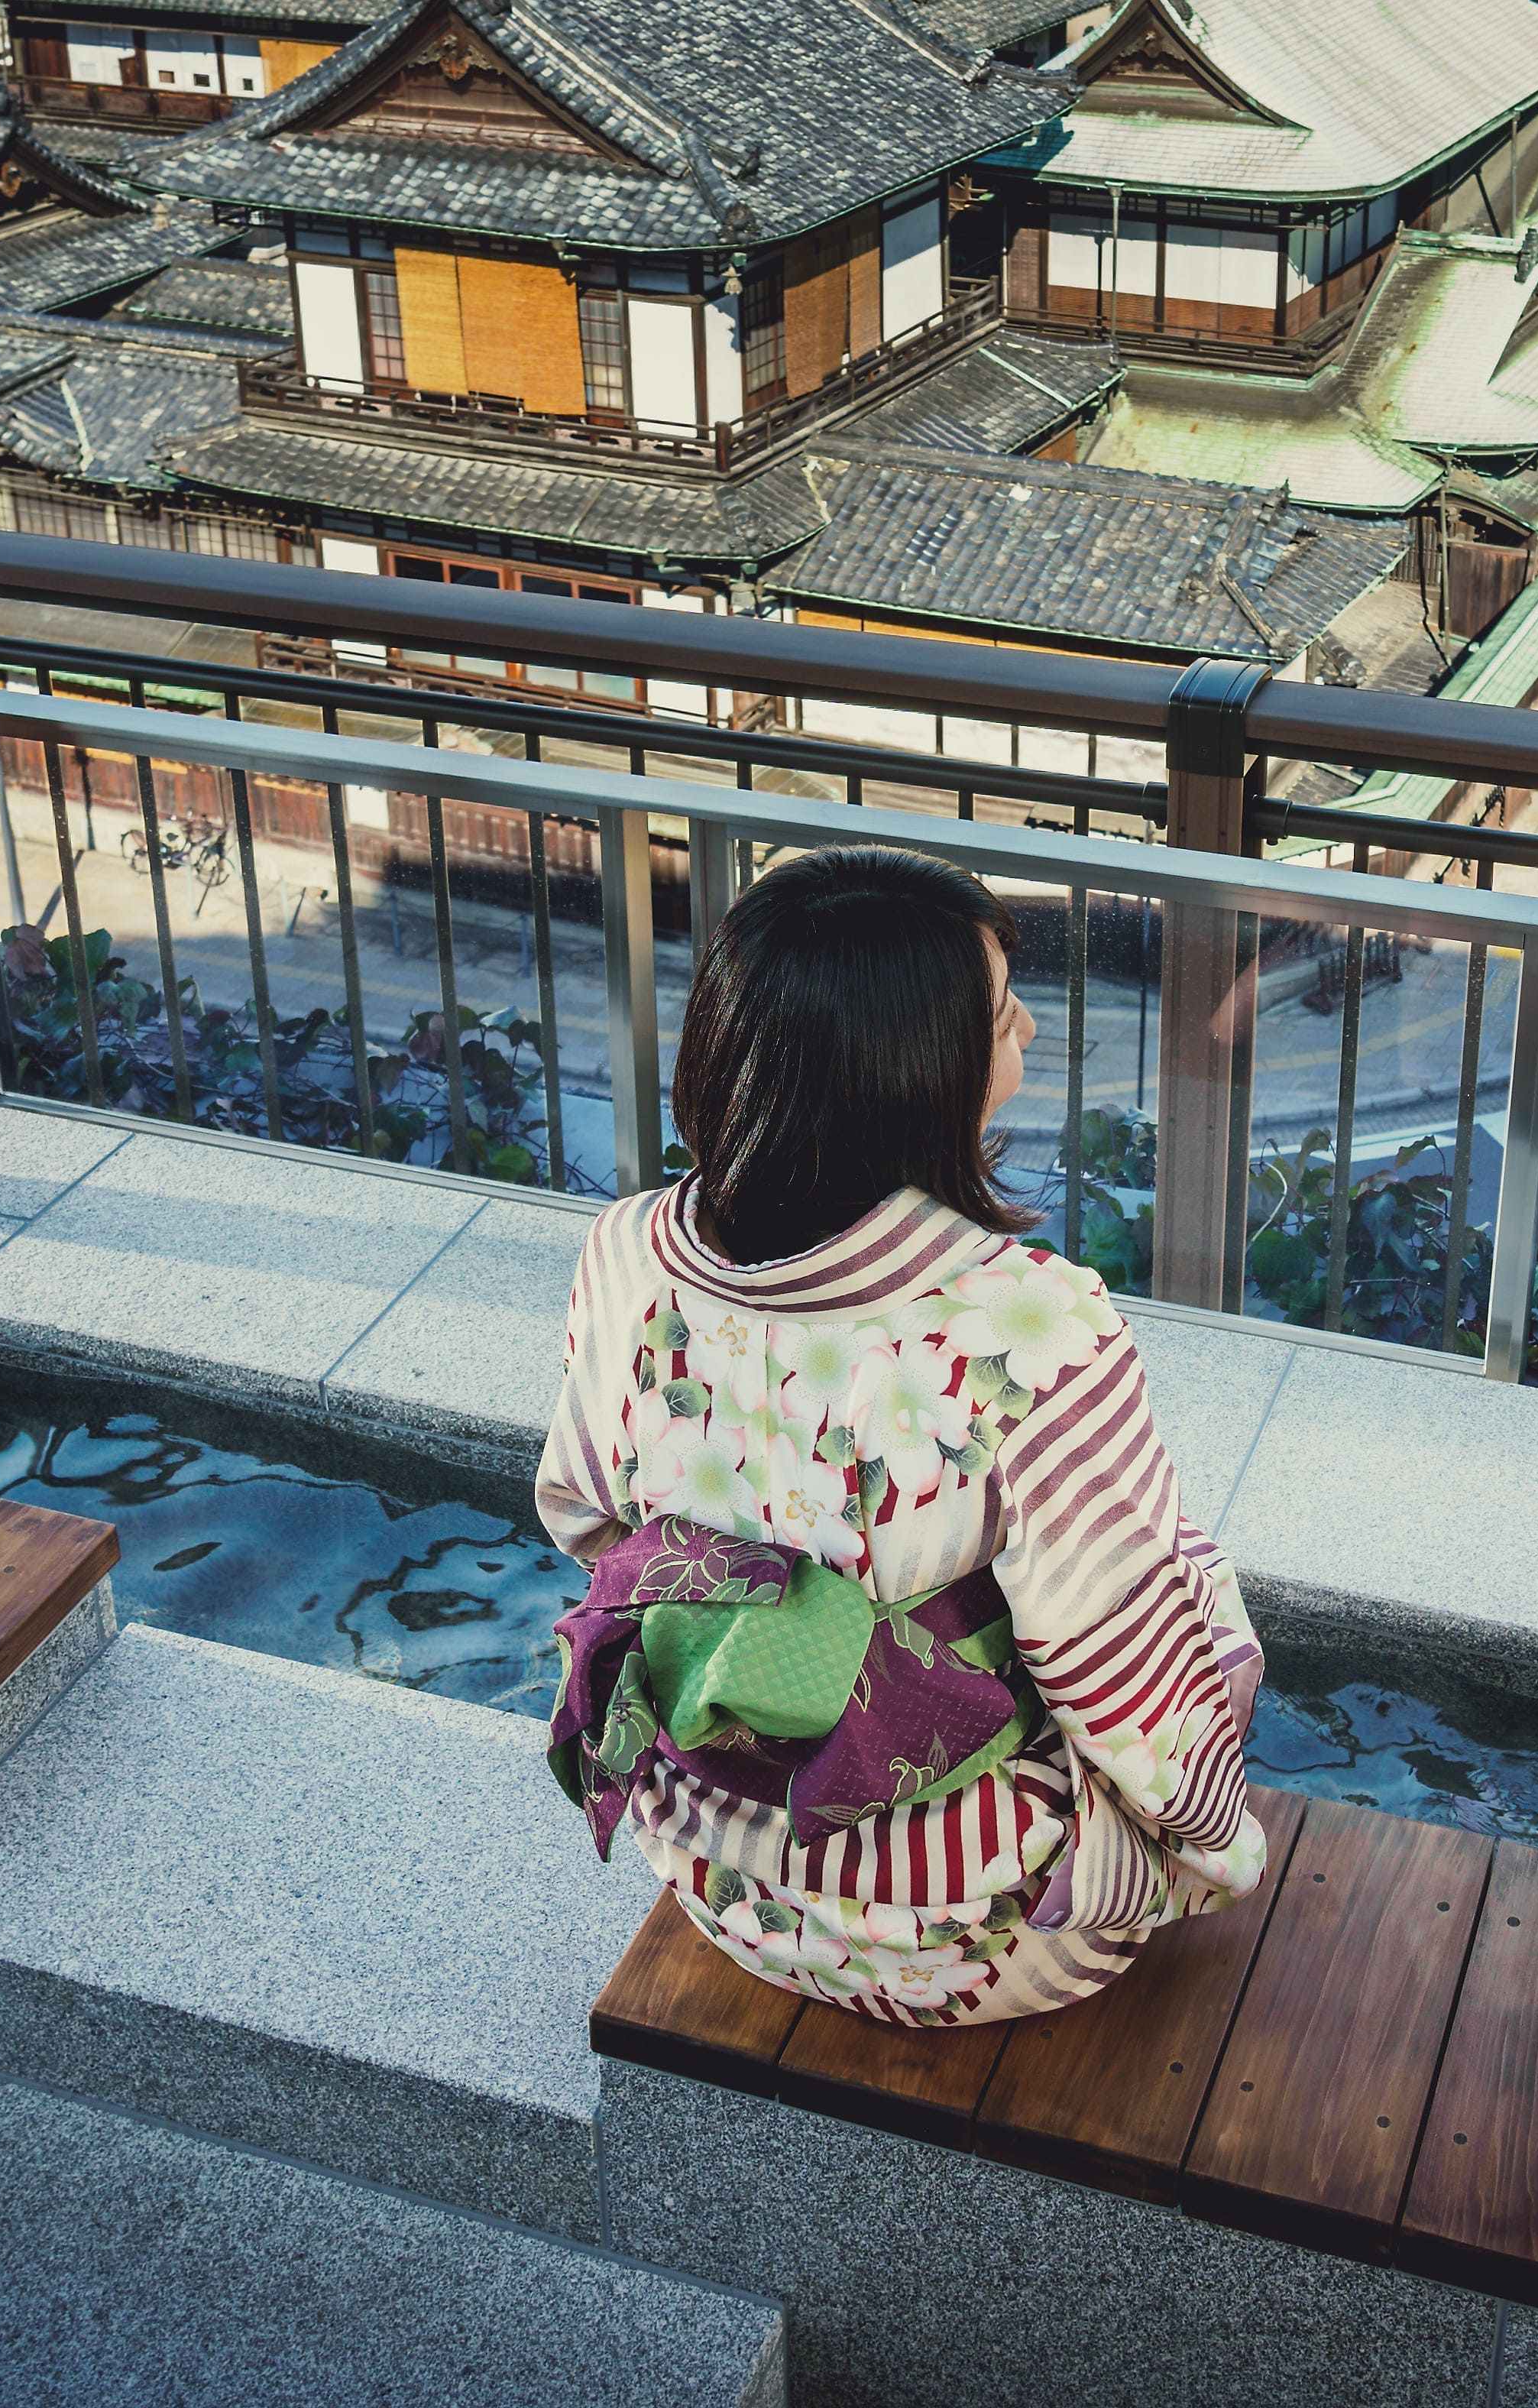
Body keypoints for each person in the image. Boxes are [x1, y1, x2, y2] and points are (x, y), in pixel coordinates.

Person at [537, 847, 1267, 2027]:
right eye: (996, 1011)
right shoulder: (1030, 1331)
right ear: (904, 1073)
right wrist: (1220, 1842)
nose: (1028, 1020)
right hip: (988, 1939)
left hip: (723, 1882)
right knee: (1192, 1580)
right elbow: (1117, 1668)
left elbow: (583, 1515)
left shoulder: (628, 1253)